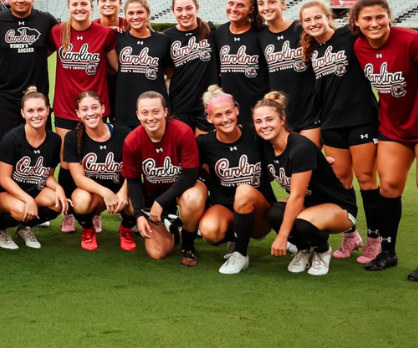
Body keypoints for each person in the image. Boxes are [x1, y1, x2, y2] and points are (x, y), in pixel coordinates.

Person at [351, 0, 418, 282]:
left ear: (389, 17)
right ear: (357, 22)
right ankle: (388, 252)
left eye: (379, 16)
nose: (374, 23)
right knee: (389, 187)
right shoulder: (359, 46)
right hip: (393, 128)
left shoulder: (413, 41)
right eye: (367, 18)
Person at [301, 0, 382, 264]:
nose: (313, 23)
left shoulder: (349, 35)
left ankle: (375, 240)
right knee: (341, 182)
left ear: (329, 17)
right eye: (307, 20)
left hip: (361, 120)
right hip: (331, 124)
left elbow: (376, 32)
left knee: (366, 179)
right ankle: (351, 236)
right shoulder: (312, 50)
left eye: (317, 17)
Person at [256, 91, 358, 276]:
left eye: (269, 119)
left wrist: (283, 236)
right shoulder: (266, 146)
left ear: (282, 119)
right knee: (275, 213)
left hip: (338, 207)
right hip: (308, 204)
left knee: (303, 222)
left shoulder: (300, 148)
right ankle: (304, 249)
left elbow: (297, 196)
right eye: (258, 121)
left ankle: (322, 251)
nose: (264, 125)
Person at [50, 0, 118, 233]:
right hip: (66, 106)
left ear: (92, 7)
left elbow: (115, 66)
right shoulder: (58, 32)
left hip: (94, 109)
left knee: (94, 160)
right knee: (66, 161)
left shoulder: (105, 33)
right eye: (75, 4)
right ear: (68, 7)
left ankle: (93, 211)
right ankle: (69, 212)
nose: (79, 8)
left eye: (84, 4)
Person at [194, 86, 274, 275]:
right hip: (226, 208)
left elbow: (283, 154)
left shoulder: (256, 134)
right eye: (218, 115)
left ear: (237, 110)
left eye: (228, 112)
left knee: (243, 190)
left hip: (259, 212)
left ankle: (240, 253)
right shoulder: (204, 143)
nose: (225, 119)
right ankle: (237, 236)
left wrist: (316, 160)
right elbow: (187, 170)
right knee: (210, 230)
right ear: (209, 119)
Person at [121, 92, 203, 263]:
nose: (151, 118)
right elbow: (133, 180)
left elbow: (190, 175)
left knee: (193, 198)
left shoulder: (182, 131)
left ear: (165, 112)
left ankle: (188, 245)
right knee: (157, 253)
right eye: (145, 113)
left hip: (182, 191)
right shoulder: (131, 140)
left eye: (155, 111)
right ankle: (172, 228)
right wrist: (139, 214)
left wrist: (161, 202)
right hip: (154, 195)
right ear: (137, 115)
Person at [0, 88, 68, 250]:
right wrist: (28, 200)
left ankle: (25, 228)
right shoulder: (11, 139)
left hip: (31, 188)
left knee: (57, 202)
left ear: (48, 110)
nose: (36, 115)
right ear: (23, 113)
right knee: (21, 209)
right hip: (3, 191)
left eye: (40, 109)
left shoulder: (54, 140)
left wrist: (58, 188)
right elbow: (4, 179)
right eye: (30, 111)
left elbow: (47, 176)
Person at [0, 0, 59, 149]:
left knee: (40, 148)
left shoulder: (46, 20)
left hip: (37, 96)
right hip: (5, 96)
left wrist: (38, 53)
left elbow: (58, 42)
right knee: (5, 149)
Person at [64, 90, 135, 251]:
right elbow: (79, 178)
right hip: (94, 194)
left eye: (95, 107)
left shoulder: (124, 133)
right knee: (80, 200)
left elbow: (133, 170)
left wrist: (123, 192)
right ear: (78, 113)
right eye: (85, 109)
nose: (90, 113)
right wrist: (105, 192)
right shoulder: (72, 138)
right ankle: (88, 230)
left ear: (103, 109)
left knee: (136, 199)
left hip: (120, 193)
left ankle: (126, 229)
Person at [257, 0, 321, 145]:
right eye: (261, 3)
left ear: (283, 4)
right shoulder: (260, 37)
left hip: (309, 112)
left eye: (272, 2)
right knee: (286, 160)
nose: (266, 7)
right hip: (281, 115)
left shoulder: (302, 29)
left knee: (306, 156)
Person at [113, 0, 173, 129]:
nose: (135, 17)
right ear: (125, 16)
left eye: (140, 12)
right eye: (131, 13)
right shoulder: (118, 38)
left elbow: (169, 73)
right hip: (125, 110)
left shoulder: (162, 40)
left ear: (148, 13)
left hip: (155, 110)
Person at [164, 0, 216, 135]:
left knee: (204, 146)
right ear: (172, 11)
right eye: (179, 9)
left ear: (197, 8)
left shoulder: (210, 32)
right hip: (180, 104)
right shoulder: (167, 37)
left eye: (189, 8)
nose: (184, 14)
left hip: (208, 103)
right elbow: (169, 72)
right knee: (185, 146)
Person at [213, 0, 268, 116]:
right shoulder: (219, 33)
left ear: (251, 9)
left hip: (258, 108)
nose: (233, 9)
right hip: (229, 110)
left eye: (240, 5)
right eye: (230, 3)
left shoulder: (262, 33)